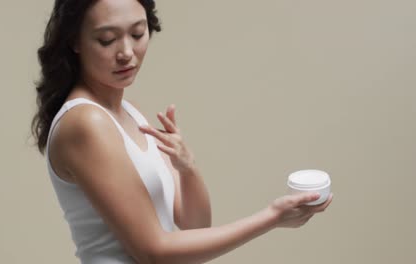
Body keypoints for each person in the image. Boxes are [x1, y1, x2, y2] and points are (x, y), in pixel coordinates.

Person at [31, 0, 333, 263]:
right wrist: (272, 217)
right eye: (107, 39)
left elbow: (195, 228)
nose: (126, 52)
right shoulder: (86, 122)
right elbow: (154, 251)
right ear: (75, 41)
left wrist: (187, 169)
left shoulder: (129, 113)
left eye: (137, 33)